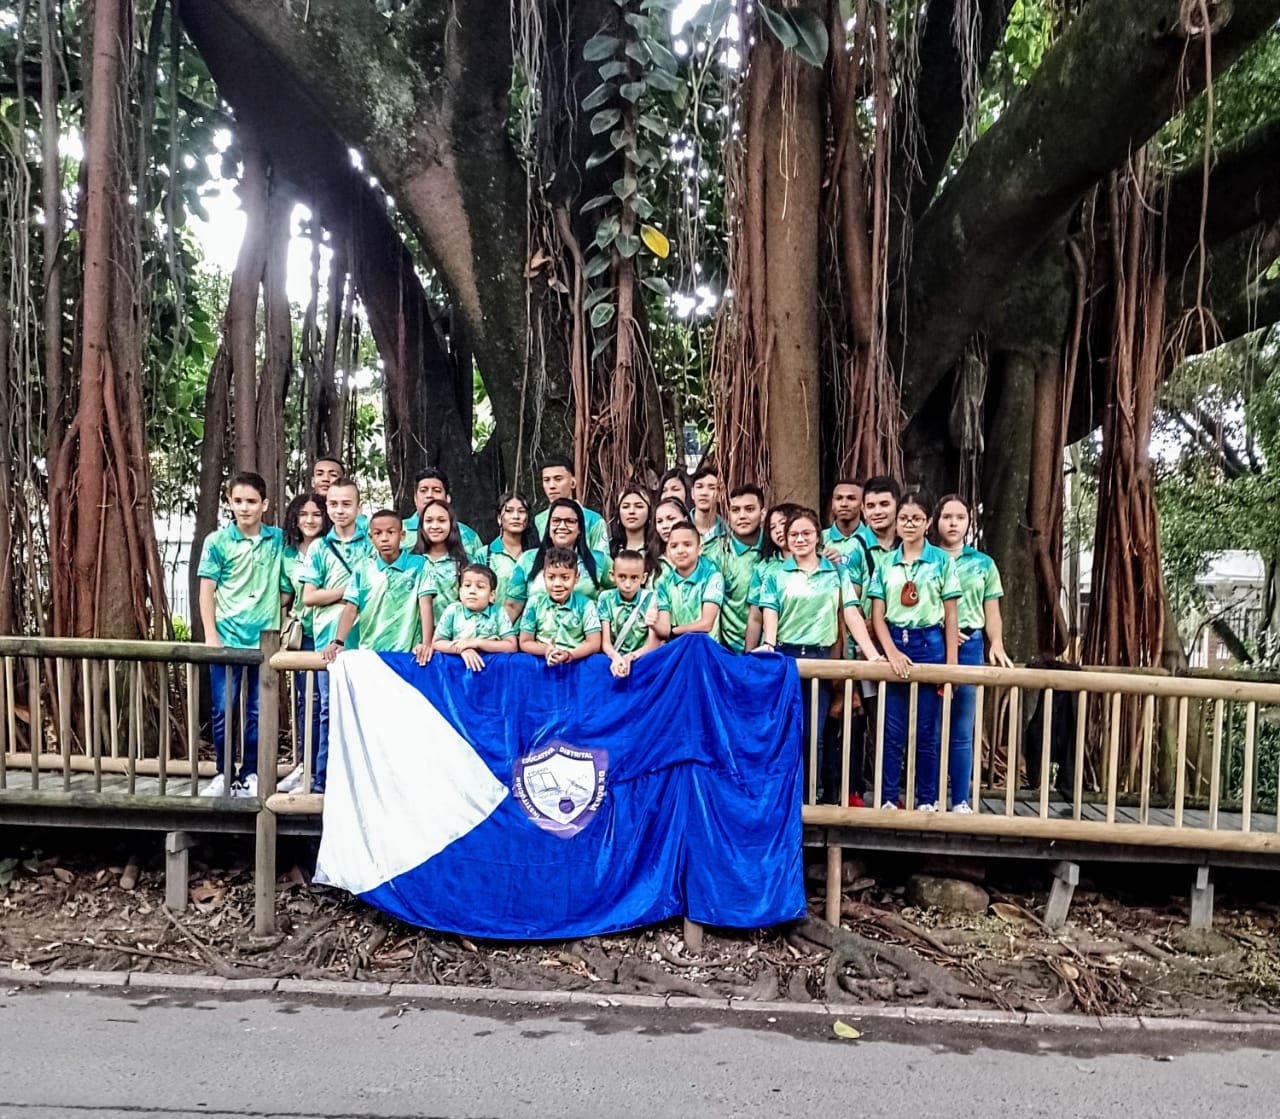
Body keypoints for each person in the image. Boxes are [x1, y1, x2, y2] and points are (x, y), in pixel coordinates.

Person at [756, 507, 881, 803]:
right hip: (786, 658)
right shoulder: (776, 575)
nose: (800, 539)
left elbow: (850, 612)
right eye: (794, 534)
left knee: (814, 733)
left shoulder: (836, 571)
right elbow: (769, 614)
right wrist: (770, 644)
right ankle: (782, 798)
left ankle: (809, 797)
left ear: (817, 538)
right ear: (786, 539)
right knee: (783, 732)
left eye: (806, 534)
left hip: (821, 659)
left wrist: (872, 653)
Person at [196, 471, 292, 799]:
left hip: (265, 639)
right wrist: (211, 635)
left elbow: (292, 581)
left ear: (264, 504)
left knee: (257, 711)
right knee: (223, 710)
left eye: (251, 501)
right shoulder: (217, 542)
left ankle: (251, 772)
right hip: (227, 637)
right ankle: (224, 774)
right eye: (238, 501)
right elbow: (206, 591)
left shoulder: (278, 539)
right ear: (230, 503)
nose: (245, 508)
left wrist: (276, 607)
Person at [868, 492, 961, 812]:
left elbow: (951, 615)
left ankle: (926, 798)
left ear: (928, 523)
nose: (909, 525)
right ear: (897, 522)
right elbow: (876, 615)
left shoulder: (941, 562)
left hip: (930, 644)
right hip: (896, 641)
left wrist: (951, 668)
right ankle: (888, 797)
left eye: (917, 519)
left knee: (926, 731)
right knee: (892, 729)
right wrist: (890, 651)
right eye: (904, 519)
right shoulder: (885, 563)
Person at [933, 494, 1013, 813]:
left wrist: (997, 643)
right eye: (947, 517)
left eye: (960, 517)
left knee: (963, 727)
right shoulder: (925, 559)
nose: (953, 523)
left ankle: (960, 799)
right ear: (936, 522)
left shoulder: (983, 563)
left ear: (968, 523)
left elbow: (991, 610)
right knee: (932, 725)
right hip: (933, 643)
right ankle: (931, 795)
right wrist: (942, 624)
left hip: (970, 645)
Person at [299, 476, 374, 793]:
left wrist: (351, 597)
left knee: (366, 708)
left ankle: (363, 779)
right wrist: (348, 592)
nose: (340, 510)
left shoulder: (371, 543)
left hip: (368, 636)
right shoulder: (319, 547)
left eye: (346, 504)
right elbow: (309, 596)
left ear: (358, 507)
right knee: (328, 708)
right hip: (330, 639)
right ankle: (322, 778)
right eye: (333, 504)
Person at [322, 510, 433, 664]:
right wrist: (338, 641)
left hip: (408, 654)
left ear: (402, 535)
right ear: (371, 538)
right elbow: (351, 609)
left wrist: (427, 644)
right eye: (378, 533)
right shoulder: (363, 568)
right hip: (370, 653)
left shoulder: (419, 564)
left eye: (390, 532)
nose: (385, 538)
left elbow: (425, 605)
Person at [279, 492, 331, 795]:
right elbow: (286, 595)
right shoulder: (287, 554)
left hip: (328, 634)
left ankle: (320, 771)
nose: (310, 520)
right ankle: (303, 765)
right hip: (303, 635)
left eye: (316, 514)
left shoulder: (330, 549)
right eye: (303, 514)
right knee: (304, 703)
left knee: (325, 704)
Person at [506, 497, 611, 620]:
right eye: (556, 521)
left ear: (580, 529)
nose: (562, 526)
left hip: (586, 637)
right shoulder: (528, 560)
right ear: (548, 528)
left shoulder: (599, 561)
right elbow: (513, 606)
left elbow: (623, 590)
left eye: (570, 521)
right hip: (536, 638)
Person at [518, 546, 603, 665]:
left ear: (576, 578)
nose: (557, 584)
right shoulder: (534, 603)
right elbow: (525, 642)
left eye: (565, 577)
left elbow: (594, 643)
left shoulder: (586, 605)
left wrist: (569, 654)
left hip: (576, 665)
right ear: (544, 577)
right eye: (551, 577)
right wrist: (546, 649)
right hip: (542, 665)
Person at [710, 484, 765, 654]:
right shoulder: (714, 553)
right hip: (726, 650)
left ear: (762, 514)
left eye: (749, 509)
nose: (742, 516)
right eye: (735, 510)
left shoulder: (777, 547)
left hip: (771, 648)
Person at [432, 564, 519, 671]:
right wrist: (463, 649)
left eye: (480, 587)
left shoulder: (498, 612)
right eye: (467, 585)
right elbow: (437, 642)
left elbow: (511, 646)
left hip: (492, 670)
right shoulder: (453, 610)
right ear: (460, 592)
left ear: (492, 595)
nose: (472, 591)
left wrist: (477, 643)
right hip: (458, 670)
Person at [654, 521, 724, 642]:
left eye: (687, 544)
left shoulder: (712, 577)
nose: (680, 550)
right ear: (668, 552)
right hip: (677, 650)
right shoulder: (663, 583)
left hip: (706, 649)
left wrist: (673, 631)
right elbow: (664, 628)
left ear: (699, 549)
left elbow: (706, 624)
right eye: (674, 546)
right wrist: (654, 623)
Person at [598, 549, 661, 678]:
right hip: (613, 657)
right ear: (612, 576)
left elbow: (653, 643)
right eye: (622, 577)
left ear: (643, 578)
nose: (628, 584)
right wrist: (616, 657)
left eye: (634, 578)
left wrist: (630, 657)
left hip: (642, 658)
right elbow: (605, 642)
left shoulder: (651, 598)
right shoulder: (605, 598)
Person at [746, 503, 800, 651]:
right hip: (775, 647)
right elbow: (755, 618)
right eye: (772, 527)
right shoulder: (765, 567)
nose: (778, 531)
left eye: (782, 523)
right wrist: (748, 655)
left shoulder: (819, 562)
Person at [402, 468, 485, 561]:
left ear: (447, 498)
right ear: (415, 498)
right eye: (423, 490)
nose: (429, 495)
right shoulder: (397, 531)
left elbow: (481, 571)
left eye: (436, 490)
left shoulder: (468, 535)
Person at [534, 458, 608, 553]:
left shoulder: (593, 520)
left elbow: (603, 561)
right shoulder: (538, 520)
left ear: (573, 482)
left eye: (558, 479)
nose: (551, 485)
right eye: (546, 480)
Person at [413, 498, 470, 616]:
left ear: (451, 524)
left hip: (454, 632)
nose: (435, 526)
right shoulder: (412, 562)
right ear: (421, 525)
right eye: (429, 520)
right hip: (418, 633)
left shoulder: (464, 563)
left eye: (442, 520)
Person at [486, 493, 538, 607]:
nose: (516, 516)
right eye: (509, 511)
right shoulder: (486, 555)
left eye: (521, 511)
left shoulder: (537, 554)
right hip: (496, 622)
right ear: (499, 518)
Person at [608, 486, 659, 576]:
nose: (631, 511)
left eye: (639, 506)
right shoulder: (609, 550)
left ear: (649, 512)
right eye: (625, 507)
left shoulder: (658, 549)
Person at [822, 479, 865, 562]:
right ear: (832, 503)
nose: (844, 504)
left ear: (862, 504)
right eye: (838, 498)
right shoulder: (819, 539)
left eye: (851, 498)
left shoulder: (872, 539)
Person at [689, 465, 726, 544]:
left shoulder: (727, 532)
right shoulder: (680, 526)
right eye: (699, 487)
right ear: (692, 493)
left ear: (720, 495)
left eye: (712, 488)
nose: (704, 493)